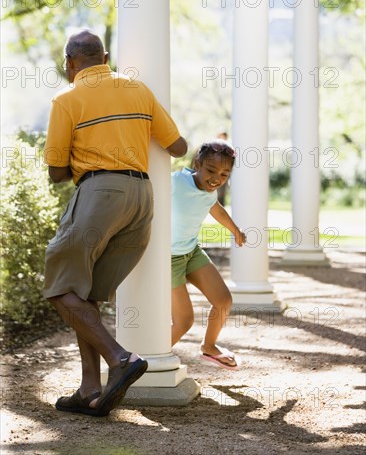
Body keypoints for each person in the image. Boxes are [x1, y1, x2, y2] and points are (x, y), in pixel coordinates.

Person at [43, 29, 187, 417]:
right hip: (141, 198)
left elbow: (56, 172)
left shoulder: (67, 98)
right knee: (84, 295)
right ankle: (89, 388)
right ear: (104, 57)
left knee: (58, 286)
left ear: (71, 64)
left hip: (100, 194)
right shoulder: (137, 89)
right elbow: (178, 147)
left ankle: (120, 358)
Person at [171, 139, 246, 369]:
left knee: (223, 301)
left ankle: (209, 347)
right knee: (184, 320)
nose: (216, 178)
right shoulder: (175, 181)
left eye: (224, 174)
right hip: (166, 259)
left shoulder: (209, 192)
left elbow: (216, 210)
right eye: (211, 170)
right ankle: (146, 361)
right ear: (197, 164)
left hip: (191, 252)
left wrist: (235, 230)